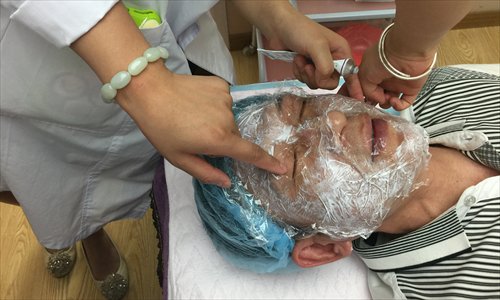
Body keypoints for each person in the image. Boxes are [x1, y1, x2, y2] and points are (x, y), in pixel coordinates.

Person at [0, 1, 360, 299]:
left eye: (302, 106)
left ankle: (84, 227)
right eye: (299, 111)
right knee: (44, 181)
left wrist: (279, 16)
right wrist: (145, 84)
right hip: (30, 65)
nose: (333, 123)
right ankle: (87, 233)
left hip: (167, 33)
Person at [192, 66, 499, 298]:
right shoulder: (450, 291)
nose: (334, 121)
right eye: (298, 162)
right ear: (321, 248)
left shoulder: (443, 87)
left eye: (302, 108)